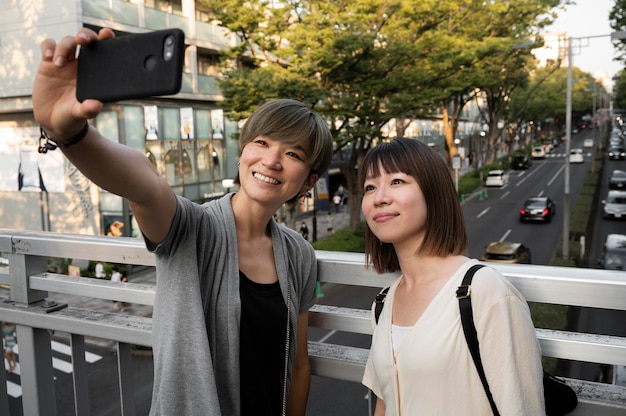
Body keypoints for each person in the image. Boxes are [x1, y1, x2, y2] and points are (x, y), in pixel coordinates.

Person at [32, 27, 334, 416]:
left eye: (293, 153)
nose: (271, 160)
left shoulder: (299, 255)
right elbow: (144, 184)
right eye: (261, 142)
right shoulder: (192, 228)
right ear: (242, 153)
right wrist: (68, 132)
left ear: (308, 180)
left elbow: (298, 364)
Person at [359, 138, 545, 415]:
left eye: (397, 181)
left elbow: (520, 408)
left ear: (433, 193)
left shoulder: (484, 291)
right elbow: (384, 403)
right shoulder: (384, 304)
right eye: (370, 187)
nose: (380, 197)